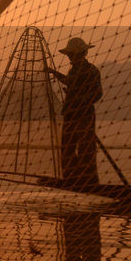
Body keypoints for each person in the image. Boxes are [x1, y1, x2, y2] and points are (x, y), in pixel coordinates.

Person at [48, 37, 102, 186]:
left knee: (86, 148)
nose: (69, 57)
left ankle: (88, 180)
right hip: (71, 113)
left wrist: (83, 100)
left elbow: (98, 93)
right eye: (69, 54)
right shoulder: (74, 70)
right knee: (68, 147)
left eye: (71, 54)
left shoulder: (91, 71)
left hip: (84, 114)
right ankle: (71, 178)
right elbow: (69, 82)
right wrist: (54, 73)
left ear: (80, 54)